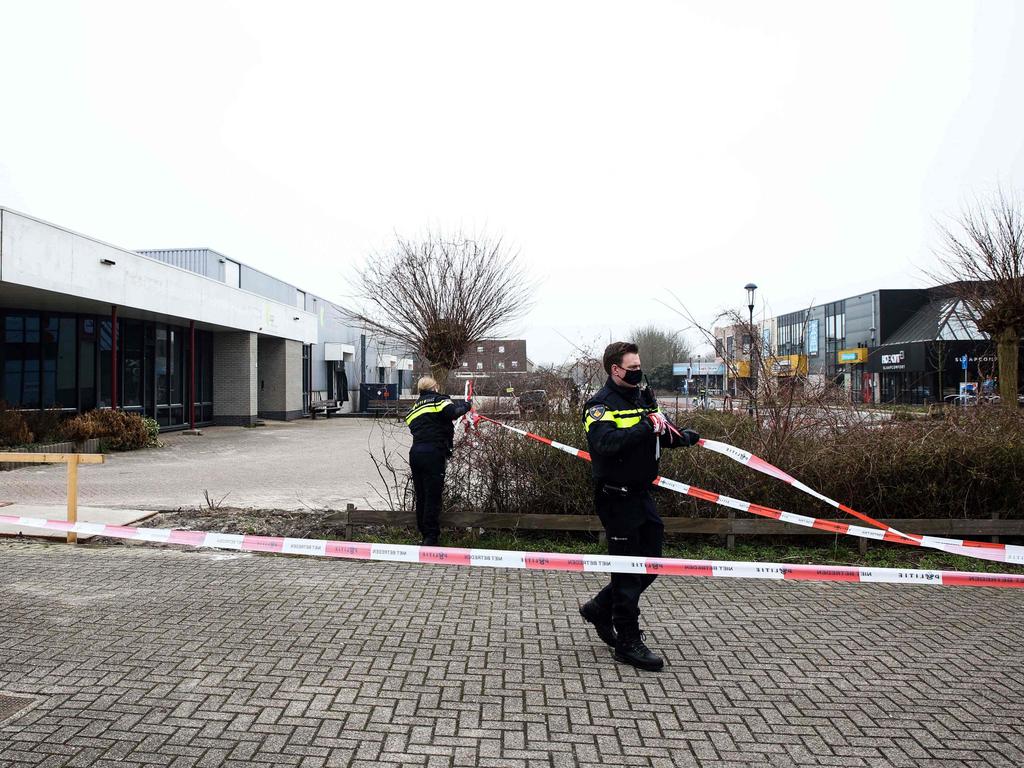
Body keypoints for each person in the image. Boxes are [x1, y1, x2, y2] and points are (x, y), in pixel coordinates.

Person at [579, 342, 699, 672]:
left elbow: (660, 432)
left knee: (652, 561)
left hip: (642, 494)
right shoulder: (599, 406)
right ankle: (628, 641)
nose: (638, 371)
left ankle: (600, 607)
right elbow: (605, 444)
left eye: (639, 366)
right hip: (616, 497)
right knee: (628, 571)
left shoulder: (642, 398)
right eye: (632, 367)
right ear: (615, 370)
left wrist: (682, 436)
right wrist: (644, 427)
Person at [404, 376, 472, 546]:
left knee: (421, 496)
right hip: (433, 452)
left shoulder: (414, 408)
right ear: (434, 387)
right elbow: (453, 413)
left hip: (416, 453)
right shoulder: (439, 400)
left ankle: (424, 533)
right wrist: (467, 406)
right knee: (433, 496)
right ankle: (431, 537)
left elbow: (415, 425)